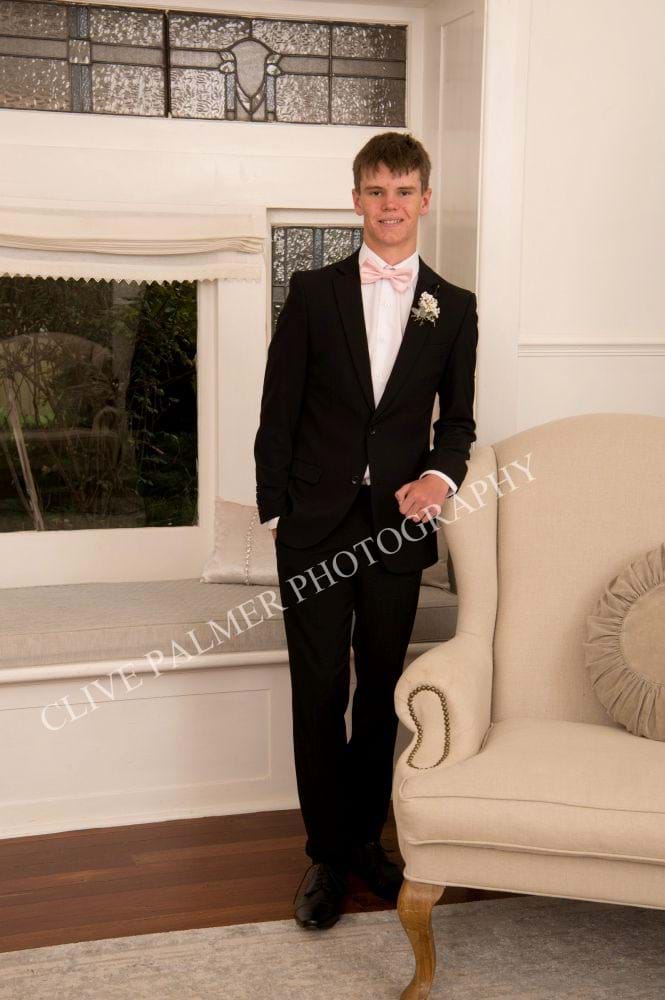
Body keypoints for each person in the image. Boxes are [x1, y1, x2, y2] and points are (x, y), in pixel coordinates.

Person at [254, 131, 478, 929]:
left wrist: (439, 478)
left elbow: (457, 422)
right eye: (376, 191)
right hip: (314, 527)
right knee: (318, 691)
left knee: (382, 691)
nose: (390, 205)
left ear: (425, 199)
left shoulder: (453, 306)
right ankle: (324, 855)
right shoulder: (312, 292)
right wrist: (276, 510)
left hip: (395, 530)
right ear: (356, 200)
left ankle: (364, 843)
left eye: (403, 191)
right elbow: (279, 406)